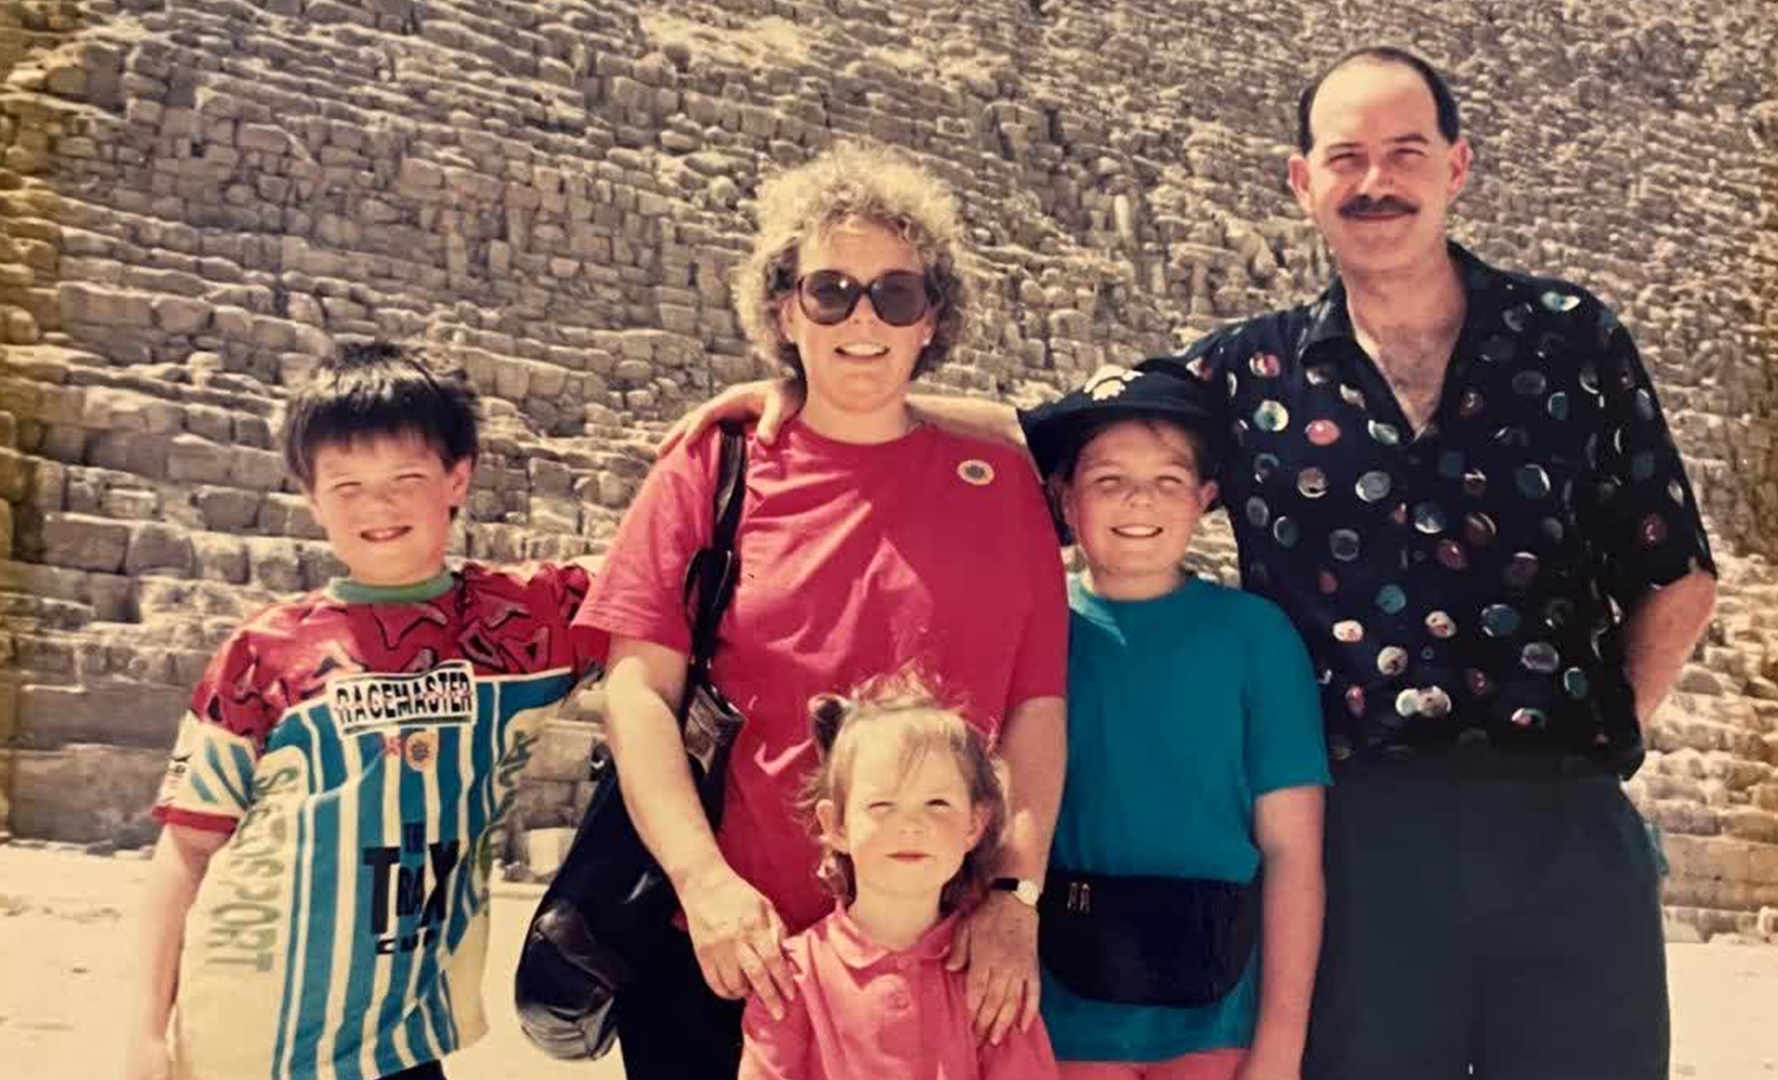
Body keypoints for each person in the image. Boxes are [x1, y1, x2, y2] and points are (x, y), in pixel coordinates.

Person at [669, 45, 1719, 1080]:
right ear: (1301, 181)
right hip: (1363, 831)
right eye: (1346, 157)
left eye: (1406, 151)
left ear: (1458, 164)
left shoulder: (1571, 339)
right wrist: (833, 391)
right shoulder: (1250, 373)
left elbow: (1675, 569)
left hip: (1563, 824)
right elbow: (1067, 434)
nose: (1377, 181)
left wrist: (1597, 745)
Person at [574, 143, 1069, 1080]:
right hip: (730, 948)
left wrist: (1015, 894)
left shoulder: (1003, 489)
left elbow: (1035, 708)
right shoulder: (712, 467)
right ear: (783, 309)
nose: (863, 318)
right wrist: (703, 882)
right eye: (831, 291)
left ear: (934, 320)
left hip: (935, 963)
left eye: (896, 294)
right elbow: (637, 693)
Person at [124, 341, 607, 1080]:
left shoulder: (528, 623)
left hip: (402, 1043)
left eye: (405, 479)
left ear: (458, 476)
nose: (377, 506)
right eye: (346, 485)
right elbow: (186, 849)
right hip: (245, 1042)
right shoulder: (262, 652)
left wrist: (757, 407)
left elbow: (674, 545)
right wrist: (144, 1035)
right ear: (311, 497)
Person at [1021, 364, 1328, 1080]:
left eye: (1168, 479)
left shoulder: (1256, 638)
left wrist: (1280, 1046)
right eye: (1108, 480)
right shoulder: (1034, 625)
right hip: (1060, 1014)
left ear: (1205, 498)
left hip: (1215, 1016)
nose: (1139, 500)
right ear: (1064, 498)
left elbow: (1292, 851)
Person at [738, 680, 1059, 1079]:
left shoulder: (992, 980)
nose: (911, 825)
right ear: (836, 825)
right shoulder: (792, 978)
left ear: (974, 825)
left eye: (937, 803)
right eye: (882, 804)